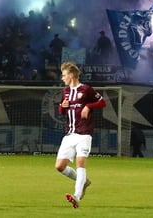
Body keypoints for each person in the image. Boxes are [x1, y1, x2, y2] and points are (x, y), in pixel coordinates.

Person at [55, 61, 106, 209]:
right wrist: (62, 107)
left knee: (80, 163)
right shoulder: (65, 92)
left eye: (64, 75)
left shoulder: (86, 89)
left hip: (84, 133)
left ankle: (76, 196)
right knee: (59, 166)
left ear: (71, 75)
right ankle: (84, 182)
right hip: (70, 134)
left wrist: (89, 106)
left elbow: (102, 102)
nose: (62, 78)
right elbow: (62, 111)